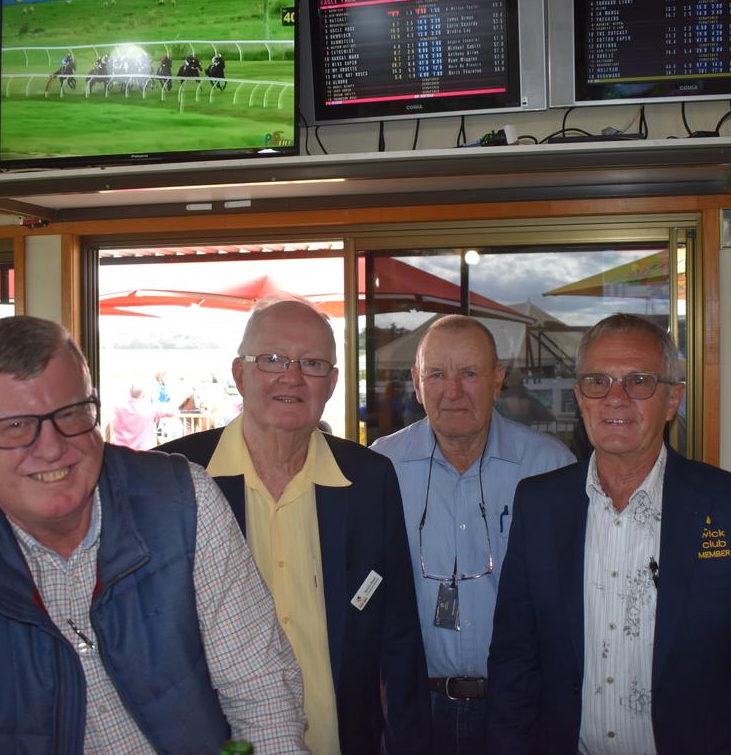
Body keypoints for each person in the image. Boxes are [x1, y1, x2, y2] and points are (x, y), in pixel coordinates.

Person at [0, 316, 307, 754]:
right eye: (15, 425)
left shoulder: (182, 498)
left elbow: (261, 686)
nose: (52, 447)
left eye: (70, 414)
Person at [487, 312, 731, 754]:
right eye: (598, 381)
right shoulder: (539, 506)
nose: (615, 398)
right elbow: (514, 660)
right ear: (580, 398)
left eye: (639, 381)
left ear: (673, 399)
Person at [163, 298, 432, 755]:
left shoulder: (370, 478)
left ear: (331, 383)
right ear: (239, 373)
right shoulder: (174, 476)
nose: (291, 377)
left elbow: (399, 633)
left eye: (311, 363)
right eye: (271, 360)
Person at [370, 315, 574, 755]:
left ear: (497, 380)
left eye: (469, 373)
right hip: (412, 710)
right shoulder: (381, 467)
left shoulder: (549, 467)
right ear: (417, 382)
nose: (453, 391)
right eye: (437, 374)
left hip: (520, 708)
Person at [107, 382, 159, 450]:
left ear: (129, 394)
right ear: (143, 395)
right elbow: (169, 412)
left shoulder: (117, 409)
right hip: (143, 453)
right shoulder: (151, 410)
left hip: (121, 453)